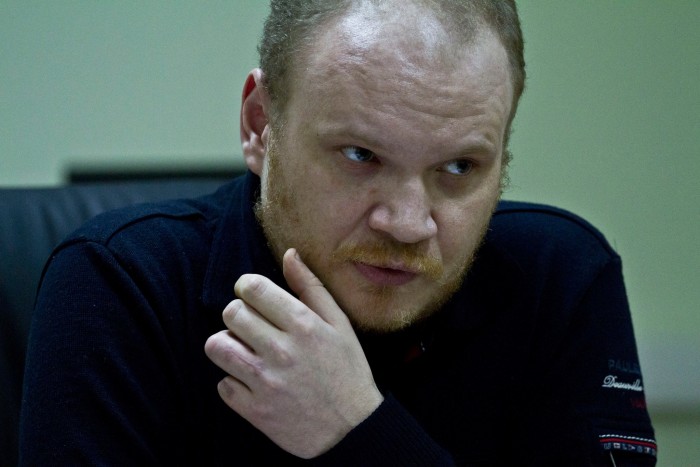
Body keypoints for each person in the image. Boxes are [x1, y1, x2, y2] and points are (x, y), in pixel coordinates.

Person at [19, 0, 657, 465]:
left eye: (460, 167)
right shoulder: (122, 283)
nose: (407, 224)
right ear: (260, 124)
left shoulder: (561, 281)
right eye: (361, 155)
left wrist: (360, 431)